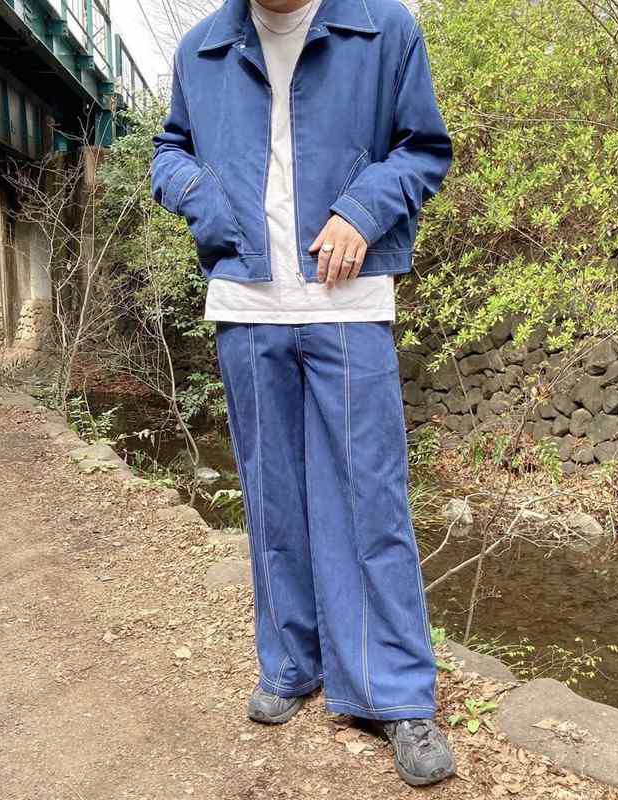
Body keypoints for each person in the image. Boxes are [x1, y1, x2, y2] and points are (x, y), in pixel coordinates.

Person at [152, 0, 454, 785]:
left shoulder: (383, 29)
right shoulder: (202, 49)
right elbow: (168, 151)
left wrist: (363, 209)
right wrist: (202, 196)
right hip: (246, 304)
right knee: (272, 497)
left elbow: (423, 148)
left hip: (347, 303)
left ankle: (394, 692)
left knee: (371, 498)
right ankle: (291, 662)